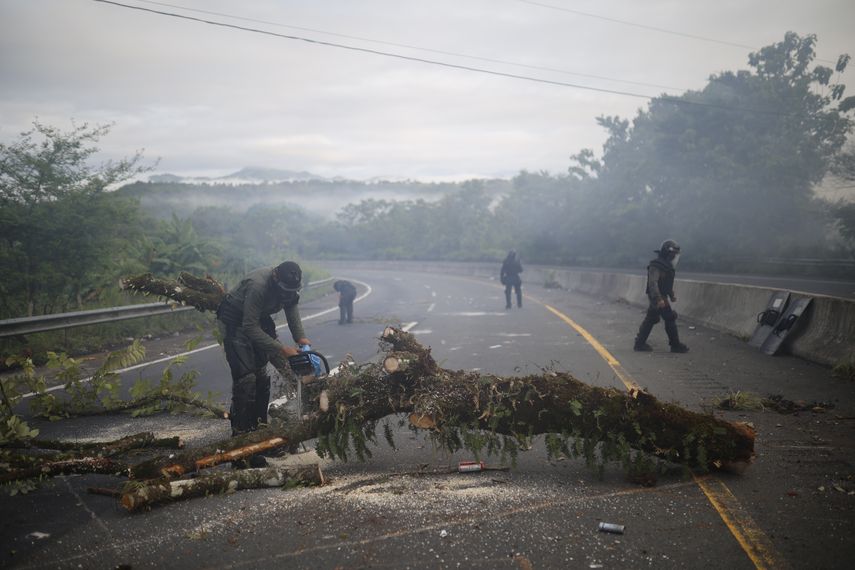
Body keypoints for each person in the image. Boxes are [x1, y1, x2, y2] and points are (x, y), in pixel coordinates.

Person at [216, 261, 312, 452]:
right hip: (235, 322)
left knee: (261, 378)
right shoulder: (258, 286)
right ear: (276, 277)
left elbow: (292, 312)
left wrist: (301, 338)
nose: (287, 293)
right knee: (246, 379)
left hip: (259, 320)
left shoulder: (289, 289)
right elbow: (249, 326)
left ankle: (261, 434)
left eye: (291, 291)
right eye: (284, 290)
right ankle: (241, 443)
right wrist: (281, 348)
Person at [634, 240, 689, 353]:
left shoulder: (667, 267)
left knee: (651, 318)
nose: (675, 257)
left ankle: (639, 343)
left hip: (661, 295)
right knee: (669, 317)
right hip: (657, 296)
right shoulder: (656, 265)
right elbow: (653, 283)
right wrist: (659, 299)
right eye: (674, 255)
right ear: (668, 254)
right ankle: (675, 345)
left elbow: (666, 283)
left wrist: (671, 294)